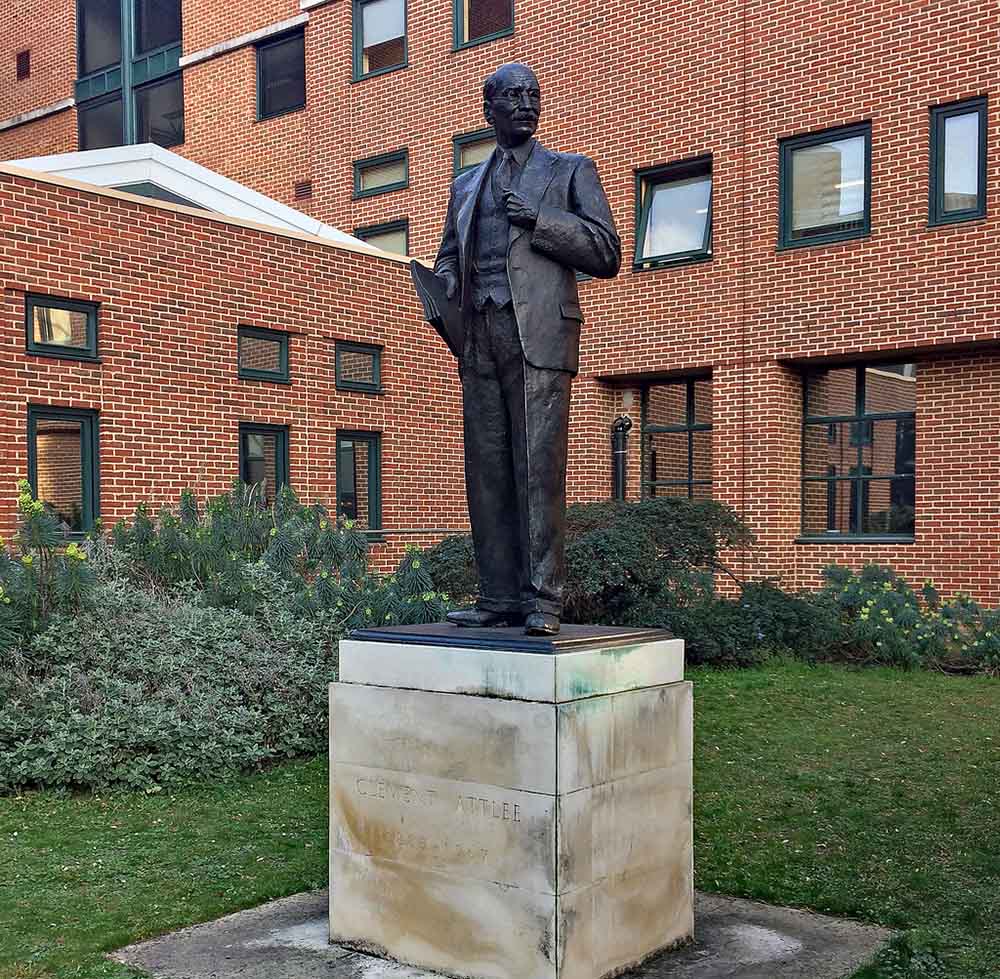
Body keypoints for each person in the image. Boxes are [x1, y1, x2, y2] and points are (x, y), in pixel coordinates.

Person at [431, 62, 621, 635]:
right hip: (479, 338)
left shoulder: (568, 171)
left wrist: (541, 219)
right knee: (487, 471)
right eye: (512, 96)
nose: (526, 103)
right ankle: (498, 596)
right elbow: (448, 254)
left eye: (533, 94)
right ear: (488, 108)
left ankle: (542, 600)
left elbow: (607, 251)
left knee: (537, 470)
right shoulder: (465, 186)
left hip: (536, 336)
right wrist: (442, 286)